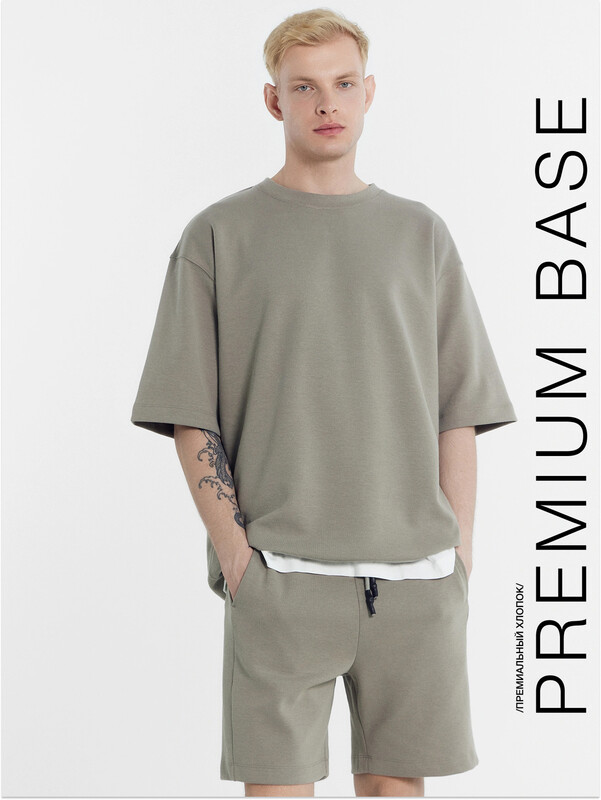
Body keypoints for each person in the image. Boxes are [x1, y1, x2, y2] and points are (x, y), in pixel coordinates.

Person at [130, 8, 517, 797]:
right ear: (273, 100)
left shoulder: (420, 234)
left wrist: (459, 553)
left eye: (342, 84)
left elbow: (458, 407)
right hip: (280, 577)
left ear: (369, 92)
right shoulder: (218, 235)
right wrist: (237, 557)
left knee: (395, 788)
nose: (325, 103)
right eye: (303, 87)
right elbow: (188, 410)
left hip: (414, 581)